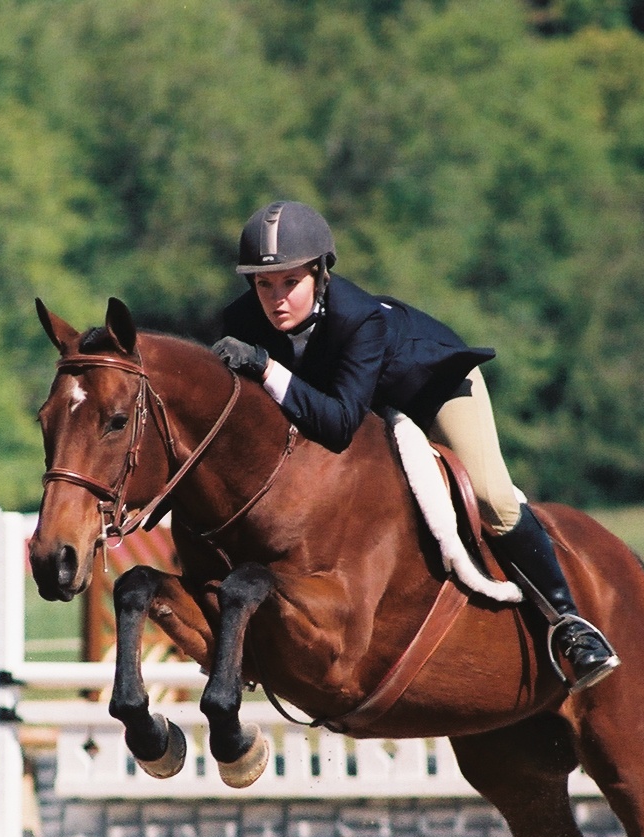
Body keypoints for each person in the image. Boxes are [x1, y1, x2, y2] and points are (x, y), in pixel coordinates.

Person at [210, 201, 617, 690]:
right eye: (264, 284)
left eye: (290, 283)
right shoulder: (242, 321)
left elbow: (339, 423)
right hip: (363, 404)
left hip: (434, 388)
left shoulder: (359, 319)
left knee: (491, 497)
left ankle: (571, 625)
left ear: (319, 274)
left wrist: (268, 369)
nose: (276, 299)